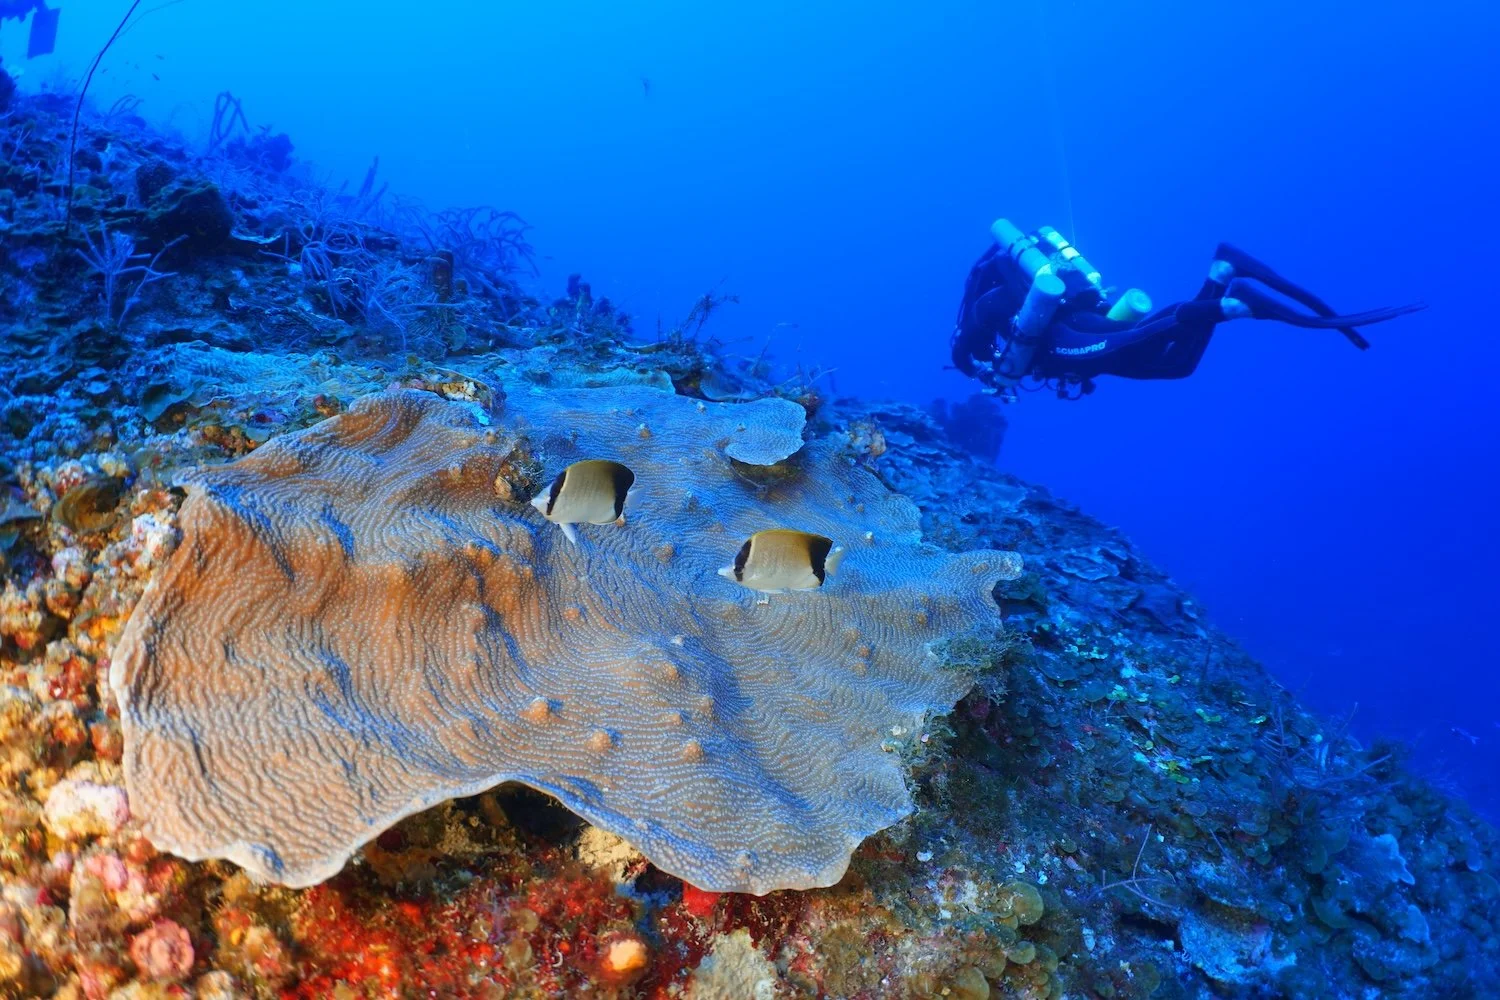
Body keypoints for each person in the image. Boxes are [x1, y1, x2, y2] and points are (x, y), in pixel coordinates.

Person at [951, 219, 1424, 399]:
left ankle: (1235, 304)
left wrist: (968, 363)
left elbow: (965, 342)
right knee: (1172, 365)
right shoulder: (1008, 285)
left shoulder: (989, 300)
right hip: (1084, 318)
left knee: (1137, 340)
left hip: (1066, 340)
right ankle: (1222, 277)